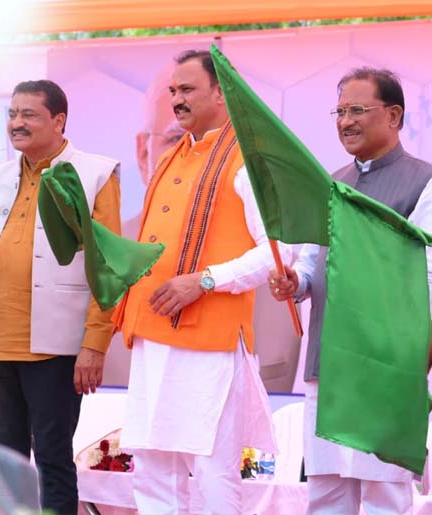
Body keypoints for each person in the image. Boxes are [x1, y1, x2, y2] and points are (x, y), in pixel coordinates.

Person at [114, 50, 284, 514]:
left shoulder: (249, 161)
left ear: (221, 93)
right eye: (173, 91)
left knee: (213, 469)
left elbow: (277, 253)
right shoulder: (172, 158)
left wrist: (206, 281)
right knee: (152, 465)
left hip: (210, 343)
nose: (177, 99)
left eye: (187, 89)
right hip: (152, 337)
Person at [270, 67, 432, 515]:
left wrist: (417, 357)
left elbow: (428, 277)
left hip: (385, 365)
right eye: (339, 112)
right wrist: (295, 282)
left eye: (357, 110)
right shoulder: (330, 184)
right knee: (325, 493)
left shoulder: (424, 182)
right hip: (327, 364)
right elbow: (310, 262)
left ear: (394, 116)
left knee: (383, 494)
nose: (345, 121)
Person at [0, 79, 120, 515]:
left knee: (53, 459)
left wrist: (95, 343)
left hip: (55, 347)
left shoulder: (94, 174)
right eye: (12, 114)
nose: (17, 123)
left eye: (28, 114)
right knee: (6, 464)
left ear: (58, 120)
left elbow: (108, 265)